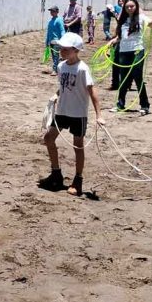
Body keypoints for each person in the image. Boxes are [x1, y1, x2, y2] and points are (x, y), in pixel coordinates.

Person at [38, 33, 104, 197]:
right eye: (61, 48)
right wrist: (56, 95)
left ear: (76, 50)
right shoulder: (61, 67)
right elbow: (64, 85)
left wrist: (99, 114)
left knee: (78, 146)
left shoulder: (83, 69)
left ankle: (78, 179)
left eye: (66, 48)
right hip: (62, 111)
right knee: (48, 138)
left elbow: (92, 90)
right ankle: (56, 174)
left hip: (78, 114)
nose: (62, 51)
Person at [107, 0, 152, 115]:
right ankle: (120, 105)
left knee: (138, 77)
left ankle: (145, 105)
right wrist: (112, 41)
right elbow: (121, 36)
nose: (130, 8)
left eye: (132, 6)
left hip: (137, 50)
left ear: (136, 7)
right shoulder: (123, 20)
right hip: (123, 51)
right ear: (124, 8)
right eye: (127, 7)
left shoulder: (142, 18)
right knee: (124, 78)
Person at [46, 5, 66, 76]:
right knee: (54, 56)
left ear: (57, 12)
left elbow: (62, 30)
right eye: (51, 11)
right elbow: (48, 32)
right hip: (51, 41)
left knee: (55, 56)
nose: (51, 12)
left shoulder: (59, 20)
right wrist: (47, 41)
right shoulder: (50, 21)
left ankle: (55, 70)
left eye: (53, 11)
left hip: (57, 41)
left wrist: (63, 39)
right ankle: (58, 67)